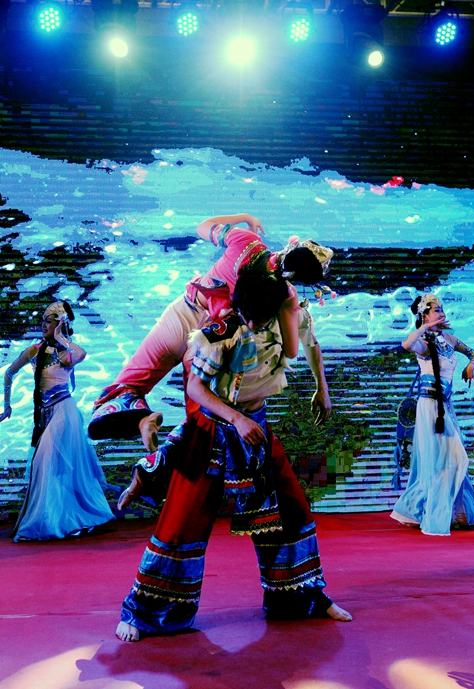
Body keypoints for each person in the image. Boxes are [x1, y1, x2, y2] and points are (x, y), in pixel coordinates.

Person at [115, 271, 351, 642]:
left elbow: (311, 343)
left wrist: (322, 388)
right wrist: (236, 418)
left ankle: (302, 597)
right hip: (213, 431)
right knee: (182, 520)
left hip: (255, 429)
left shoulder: (288, 318)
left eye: (262, 316)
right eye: (248, 315)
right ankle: (147, 612)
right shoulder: (217, 334)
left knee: (291, 511)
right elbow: (195, 387)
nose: (254, 323)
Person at [88, 213, 334, 452]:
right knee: (199, 422)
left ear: (292, 247)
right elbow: (291, 351)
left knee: (126, 385)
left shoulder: (246, 241)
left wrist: (243, 216)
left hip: (183, 315)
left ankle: (143, 420)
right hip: (212, 341)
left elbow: (203, 226)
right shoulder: (285, 296)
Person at [1, 301, 114, 541]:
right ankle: (57, 518)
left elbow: (81, 355)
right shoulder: (34, 351)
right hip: (44, 414)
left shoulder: (64, 353)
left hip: (64, 412)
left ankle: (55, 520)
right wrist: (7, 405)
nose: (43, 325)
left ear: (60, 324)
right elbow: (9, 373)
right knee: (47, 467)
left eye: (49, 321)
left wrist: (61, 336)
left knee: (47, 461)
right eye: (43, 321)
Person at [390, 293, 474, 536]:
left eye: (442, 309)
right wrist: (425, 327)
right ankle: (434, 515)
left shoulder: (449, 339)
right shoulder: (424, 343)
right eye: (436, 310)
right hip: (430, 408)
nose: (441, 313)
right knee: (452, 459)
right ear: (424, 315)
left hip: (446, 407)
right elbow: (406, 344)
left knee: (446, 460)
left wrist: (471, 366)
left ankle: (452, 514)